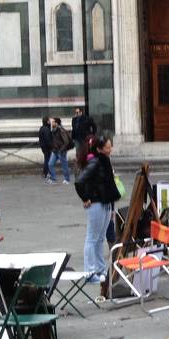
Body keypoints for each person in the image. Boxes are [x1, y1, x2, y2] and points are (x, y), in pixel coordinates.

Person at [74, 134, 121, 295]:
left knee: (100, 237)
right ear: (100, 149)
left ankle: (100, 269)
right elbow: (79, 181)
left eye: (110, 146)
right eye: (107, 147)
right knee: (92, 237)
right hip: (96, 202)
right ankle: (89, 272)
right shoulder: (95, 162)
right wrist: (85, 197)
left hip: (105, 202)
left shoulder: (104, 161)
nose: (110, 149)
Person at [47, 118, 73, 184]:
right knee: (50, 164)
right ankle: (53, 178)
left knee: (64, 165)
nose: (51, 123)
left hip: (61, 151)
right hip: (55, 150)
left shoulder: (61, 130)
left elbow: (66, 141)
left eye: (53, 122)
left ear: (56, 123)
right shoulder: (53, 130)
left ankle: (67, 179)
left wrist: (61, 149)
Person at [71, 107, 97, 172]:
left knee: (85, 151)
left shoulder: (86, 119)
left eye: (77, 112)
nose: (76, 114)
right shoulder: (74, 119)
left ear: (81, 112)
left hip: (84, 137)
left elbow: (94, 126)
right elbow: (73, 128)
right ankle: (79, 165)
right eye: (75, 112)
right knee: (78, 151)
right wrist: (73, 137)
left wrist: (92, 134)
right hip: (77, 137)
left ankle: (86, 164)